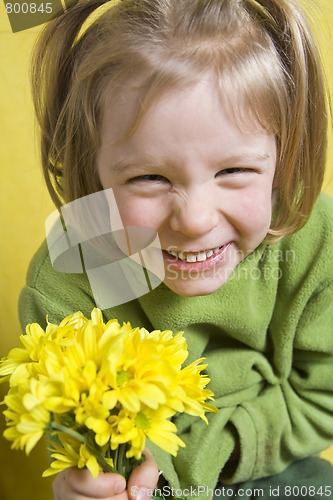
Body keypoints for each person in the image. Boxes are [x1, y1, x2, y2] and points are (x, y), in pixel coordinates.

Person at [19, 0, 333, 499]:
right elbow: (84, 433)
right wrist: (89, 483)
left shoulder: (315, 241)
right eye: (148, 177)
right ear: (90, 168)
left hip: (274, 467)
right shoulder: (67, 278)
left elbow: (322, 396)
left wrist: (194, 465)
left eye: (233, 171)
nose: (195, 219)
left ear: (285, 154)